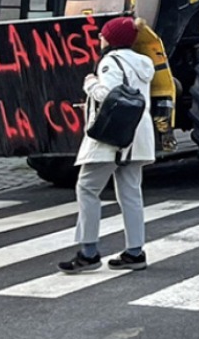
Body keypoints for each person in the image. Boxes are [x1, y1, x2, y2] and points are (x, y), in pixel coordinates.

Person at [58, 16, 156, 274]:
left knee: (87, 188)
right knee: (131, 192)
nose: (100, 39)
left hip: (111, 136)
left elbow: (110, 95)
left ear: (111, 39)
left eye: (103, 35)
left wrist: (90, 85)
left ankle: (88, 252)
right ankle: (135, 251)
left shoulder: (110, 62)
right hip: (138, 134)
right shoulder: (145, 62)